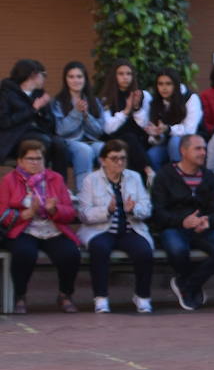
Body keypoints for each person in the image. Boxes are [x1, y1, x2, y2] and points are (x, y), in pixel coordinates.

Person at [151, 135, 214, 311]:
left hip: (203, 228)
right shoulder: (165, 175)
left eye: (204, 148)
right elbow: (158, 213)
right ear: (183, 150)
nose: (203, 152)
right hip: (174, 228)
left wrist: (208, 220)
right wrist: (182, 221)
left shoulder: (209, 176)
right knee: (178, 250)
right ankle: (191, 286)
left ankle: (188, 285)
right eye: (198, 148)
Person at [0, 139, 80, 314]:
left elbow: (70, 212)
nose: (35, 163)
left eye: (39, 159)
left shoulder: (55, 178)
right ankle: (20, 295)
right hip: (24, 229)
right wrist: (25, 214)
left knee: (70, 253)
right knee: (24, 253)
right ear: (20, 161)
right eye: (30, 159)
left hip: (51, 228)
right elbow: (2, 212)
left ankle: (65, 294)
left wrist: (54, 210)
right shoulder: (9, 181)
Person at [76, 139, 154, 314]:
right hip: (100, 229)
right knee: (99, 249)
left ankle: (142, 296)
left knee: (144, 251)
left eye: (123, 158)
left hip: (130, 228)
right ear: (103, 160)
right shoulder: (91, 180)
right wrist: (107, 210)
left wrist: (134, 209)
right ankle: (101, 297)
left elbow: (147, 208)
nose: (119, 162)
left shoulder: (134, 177)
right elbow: (84, 213)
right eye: (114, 158)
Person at [0, 59, 65, 174]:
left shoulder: (39, 94)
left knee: (59, 143)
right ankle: (38, 183)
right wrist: (33, 109)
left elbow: (50, 126)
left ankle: (60, 187)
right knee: (41, 143)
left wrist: (43, 112)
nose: (45, 78)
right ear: (33, 75)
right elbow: (4, 122)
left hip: (40, 134)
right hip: (15, 137)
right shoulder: (7, 94)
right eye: (43, 75)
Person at [50, 60, 105, 191]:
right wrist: (76, 112)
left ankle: (107, 193)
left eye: (79, 76)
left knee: (105, 149)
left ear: (85, 79)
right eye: (71, 76)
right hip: (70, 143)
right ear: (66, 80)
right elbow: (61, 131)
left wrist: (86, 115)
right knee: (84, 150)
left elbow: (99, 132)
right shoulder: (58, 102)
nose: (76, 80)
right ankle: (84, 193)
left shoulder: (94, 101)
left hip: (92, 141)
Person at [144, 68, 202, 172]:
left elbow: (190, 130)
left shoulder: (190, 98)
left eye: (168, 84)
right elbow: (158, 137)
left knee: (174, 142)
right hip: (165, 143)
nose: (164, 88)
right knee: (152, 155)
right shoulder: (156, 102)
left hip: (191, 142)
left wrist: (168, 129)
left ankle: (179, 180)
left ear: (176, 85)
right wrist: (156, 134)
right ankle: (162, 184)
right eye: (160, 84)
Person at [98, 59, 150, 173]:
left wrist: (136, 108)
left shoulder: (143, 95)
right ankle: (148, 170)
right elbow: (108, 128)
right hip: (116, 139)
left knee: (133, 140)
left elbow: (146, 125)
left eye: (128, 74)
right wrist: (126, 111)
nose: (125, 77)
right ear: (114, 76)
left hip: (139, 139)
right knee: (129, 139)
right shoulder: (106, 98)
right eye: (121, 74)